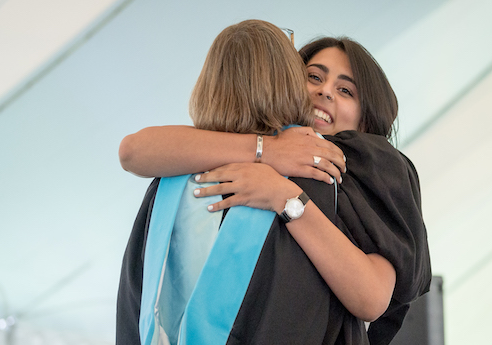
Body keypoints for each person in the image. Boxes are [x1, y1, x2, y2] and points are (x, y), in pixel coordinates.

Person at [117, 30, 431, 345]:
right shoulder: (252, 142)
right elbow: (135, 151)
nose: (325, 92)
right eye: (313, 77)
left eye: (345, 90)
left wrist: (284, 197)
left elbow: (371, 297)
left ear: (366, 117)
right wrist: (268, 149)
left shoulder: (369, 167)